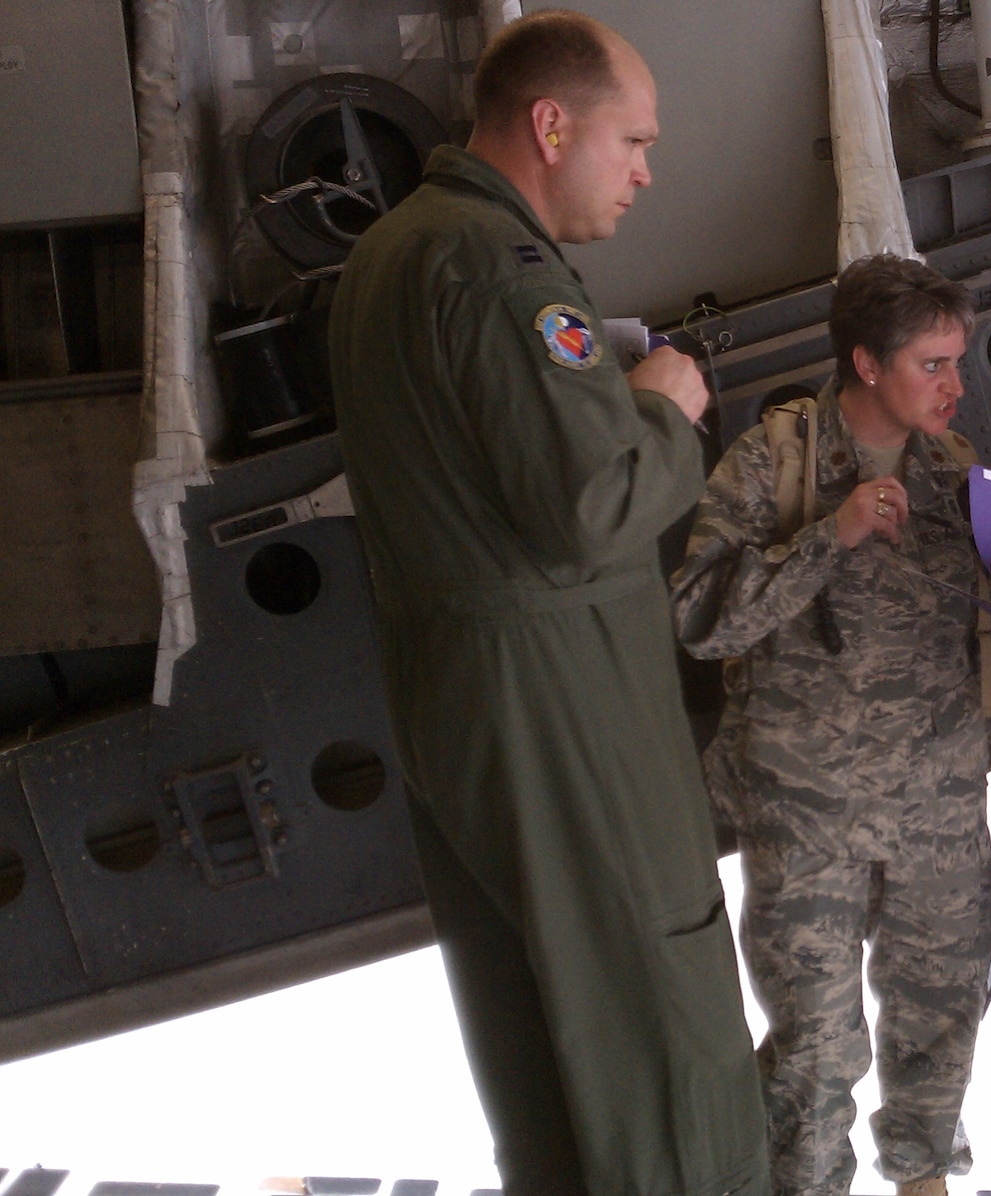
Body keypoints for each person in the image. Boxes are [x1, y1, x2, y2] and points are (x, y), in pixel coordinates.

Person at [327, 12, 767, 1195]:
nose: (645, 171)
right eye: (633, 140)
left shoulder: (387, 256)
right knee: (655, 1023)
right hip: (568, 710)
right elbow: (592, 501)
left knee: (542, 1049)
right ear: (549, 123)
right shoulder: (499, 265)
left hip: (461, 708)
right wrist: (661, 406)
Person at [671, 254, 991, 1196]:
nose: (953, 385)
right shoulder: (774, 461)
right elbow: (699, 618)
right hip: (809, 813)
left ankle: (925, 1177)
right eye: (932, 364)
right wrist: (828, 536)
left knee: (942, 1016)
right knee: (815, 1043)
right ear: (867, 363)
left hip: (936, 803)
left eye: (956, 362)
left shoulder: (961, 474)